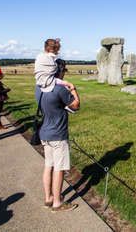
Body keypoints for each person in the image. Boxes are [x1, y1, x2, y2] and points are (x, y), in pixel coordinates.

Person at [36, 58, 80, 212]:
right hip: (58, 134)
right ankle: (57, 203)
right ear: (58, 71)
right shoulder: (59, 89)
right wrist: (72, 89)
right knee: (59, 169)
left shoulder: (39, 87)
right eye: (63, 70)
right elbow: (76, 105)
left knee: (48, 165)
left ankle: (48, 197)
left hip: (44, 132)